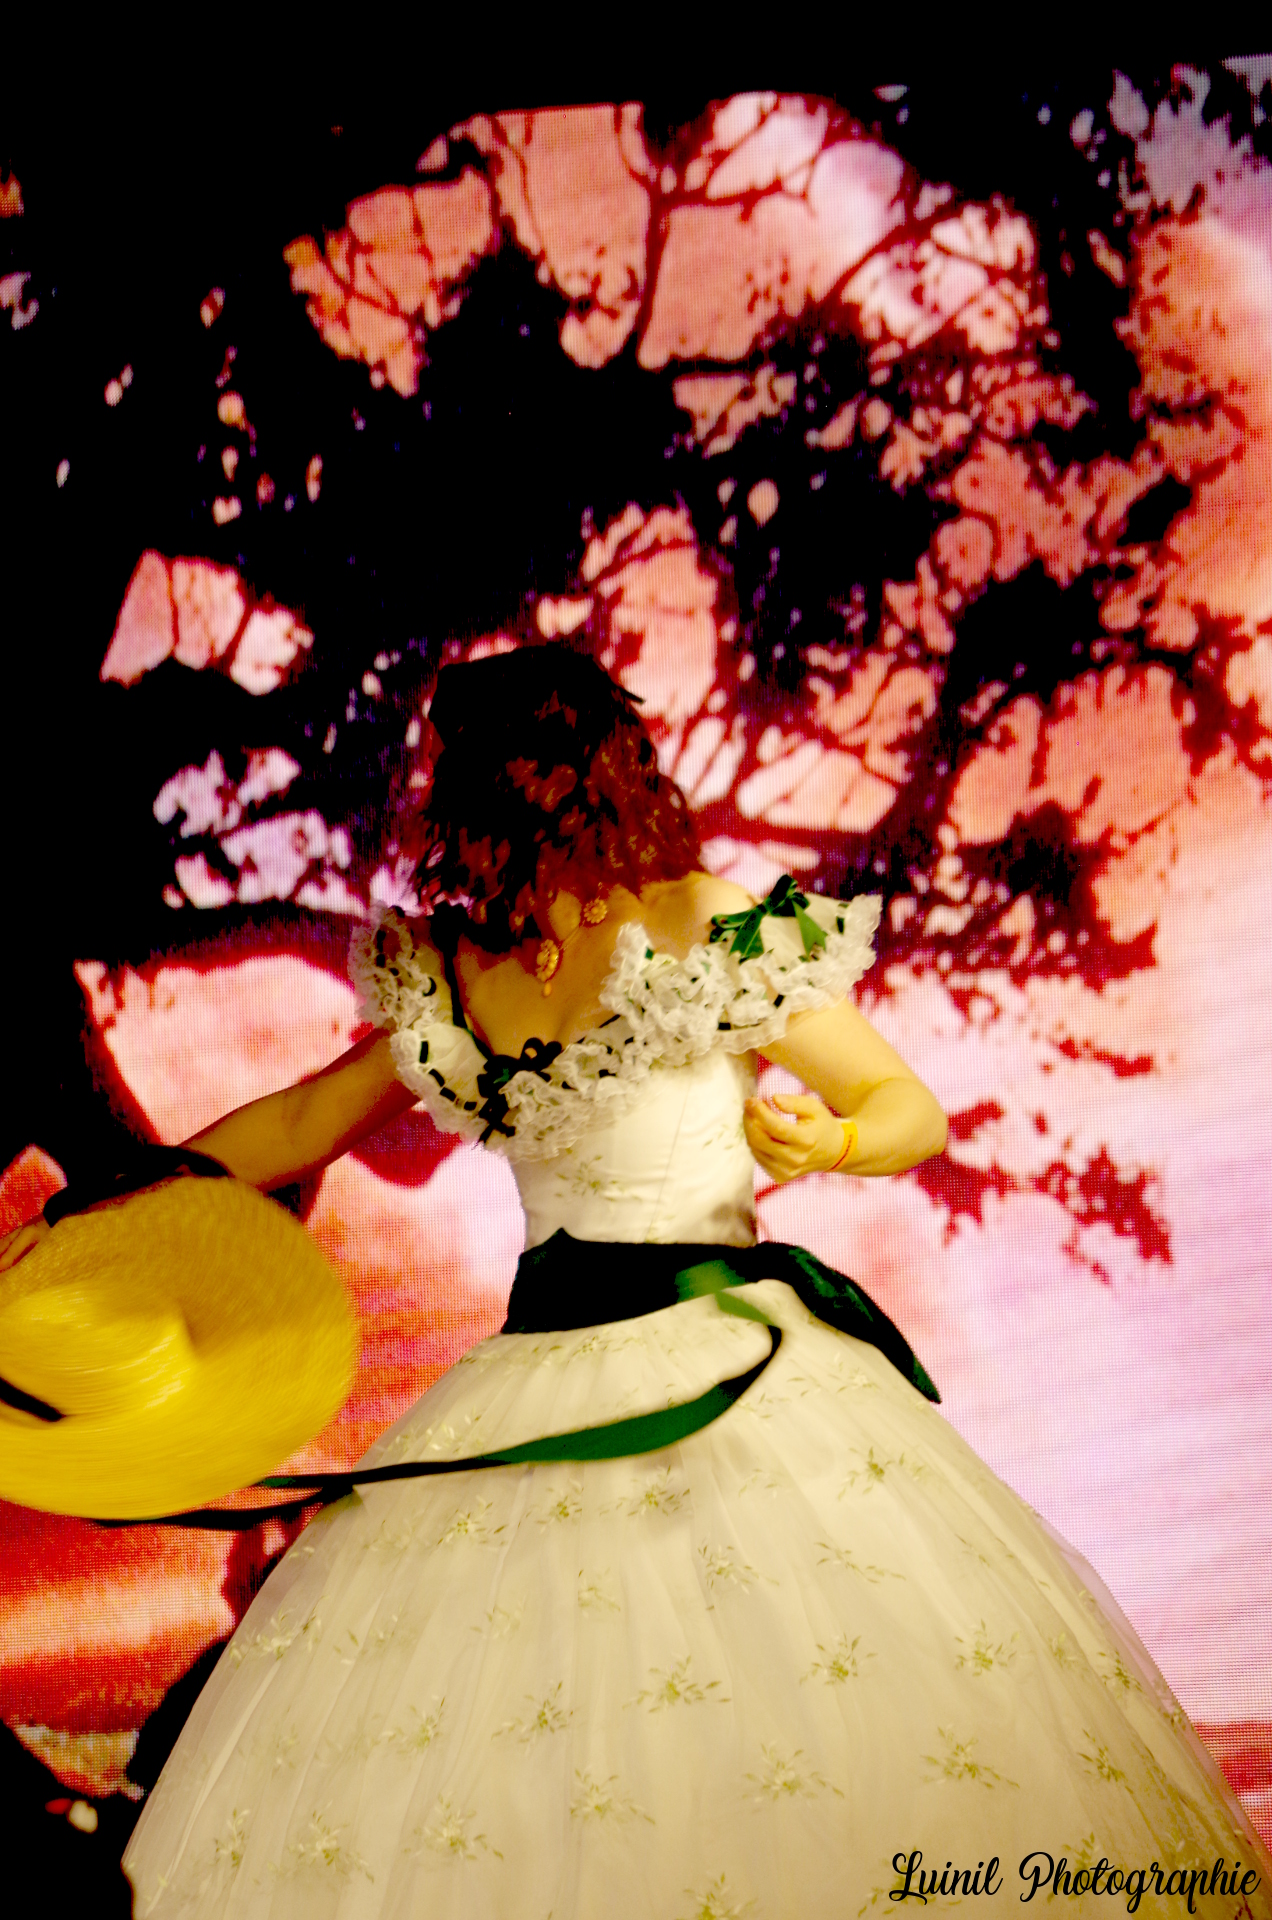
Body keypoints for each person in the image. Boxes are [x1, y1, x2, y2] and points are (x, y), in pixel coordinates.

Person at [25, 644, 1268, 1915]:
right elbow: (301, 1120)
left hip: (732, 1363)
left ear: (541, 775)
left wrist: (834, 1141)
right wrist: (133, 1189)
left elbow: (908, 1106)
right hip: (536, 1370)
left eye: (459, 766)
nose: (435, 789)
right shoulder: (456, 965)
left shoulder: (708, 922)